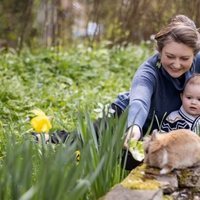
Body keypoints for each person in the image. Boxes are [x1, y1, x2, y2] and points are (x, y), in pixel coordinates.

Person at [33, 14, 200, 170]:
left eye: (184, 58)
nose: (177, 64)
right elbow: (139, 101)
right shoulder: (148, 72)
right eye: (170, 56)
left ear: (194, 55)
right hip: (125, 117)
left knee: (132, 160)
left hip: (156, 129)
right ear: (160, 51)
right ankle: (41, 139)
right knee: (85, 140)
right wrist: (134, 126)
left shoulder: (195, 63)